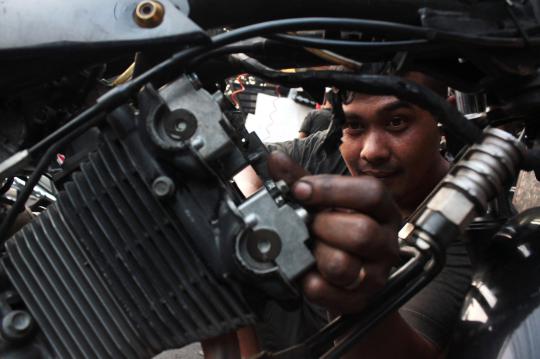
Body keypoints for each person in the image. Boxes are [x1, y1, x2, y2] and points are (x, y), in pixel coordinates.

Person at [234, 71, 472, 358]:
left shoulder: (459, 231)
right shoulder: (323, 154)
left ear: (445, 115)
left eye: (397, 122)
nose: (371, 152)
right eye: (354, 125)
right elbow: (242, 168)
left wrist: (352, 297)